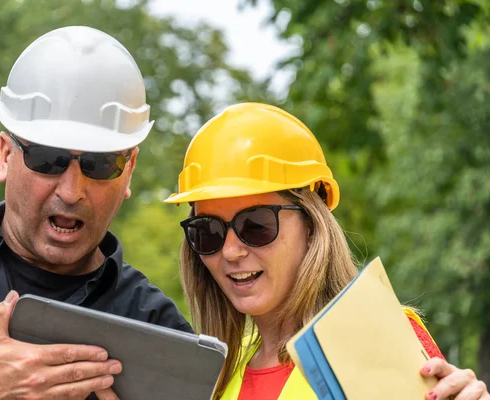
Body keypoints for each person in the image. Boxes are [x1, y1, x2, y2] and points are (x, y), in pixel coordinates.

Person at [0, 26, 192, 400]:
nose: (71, 191)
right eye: (48, 159)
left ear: (129, 171)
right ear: (5, 155)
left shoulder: (157, 329)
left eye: (100, 165)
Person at [164, 102, 489, 400]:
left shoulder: (379, 339)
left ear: (310, 223)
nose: (232, 251)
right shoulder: (216, 376)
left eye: (256, 225)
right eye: (208, 232)